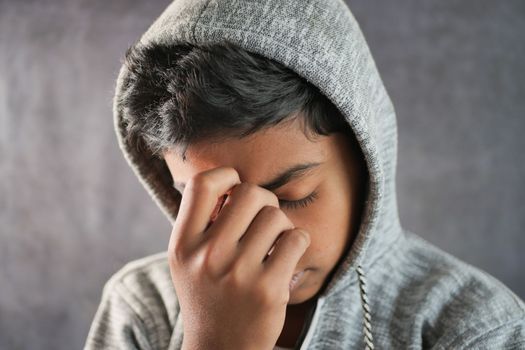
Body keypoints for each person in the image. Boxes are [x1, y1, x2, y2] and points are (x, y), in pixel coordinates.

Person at [84, 0, 525, 349]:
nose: (258, 240)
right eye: (207, 203)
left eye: (293, 195)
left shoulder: (472, 326)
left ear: (368, 161)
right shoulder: (142, 309)